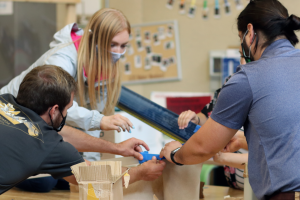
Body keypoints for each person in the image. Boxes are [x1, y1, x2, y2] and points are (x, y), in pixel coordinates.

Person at [160, 0, 300, 199]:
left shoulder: (247, 77)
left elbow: (202, 147)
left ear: (249, 33)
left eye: (239, 38)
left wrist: (175, 154)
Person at [0, 65, 166, 195]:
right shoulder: (48, 146)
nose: (66, 114)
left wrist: (117, 148)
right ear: (54, 110)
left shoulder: (4, 100)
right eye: (67, 109)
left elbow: (61, 134)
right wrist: (140, 173)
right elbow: (95, 177)